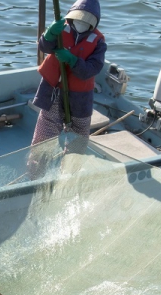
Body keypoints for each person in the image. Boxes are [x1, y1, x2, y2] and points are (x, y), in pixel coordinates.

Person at [28, 0, 106, 176]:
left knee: (79, 138)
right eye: (77, 19)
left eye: (86, 22)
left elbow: (92, 69)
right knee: (43, 136)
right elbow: (44, 47)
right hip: (53, 92)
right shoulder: (60, 27)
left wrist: (72, 60)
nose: (80, 24)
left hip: (80, 99)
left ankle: (70, 173)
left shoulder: (99, 43)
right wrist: (48, 36)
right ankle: (35, 173)